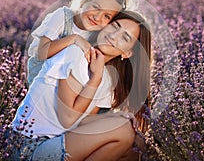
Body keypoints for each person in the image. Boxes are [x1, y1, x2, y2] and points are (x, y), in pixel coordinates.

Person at [10, 10, 151, 160]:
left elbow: (82, 122)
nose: (113, 36)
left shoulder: (108, 79)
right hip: (26, 145)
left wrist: (118, 117)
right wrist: (95, 79)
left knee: (135, 145)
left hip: (53, 143)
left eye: (124, 37)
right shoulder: (75, 54)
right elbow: (68, 118)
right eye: (115, 26)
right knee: (123, 131)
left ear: (127, 53)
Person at [27, 0, 136, 85]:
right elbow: (42, 52)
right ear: (84, 0)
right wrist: (74, 39)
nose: (97, 17)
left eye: (107, 16)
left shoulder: (98, 35)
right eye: (95, 7)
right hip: (40, 86)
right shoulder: (63, 17)